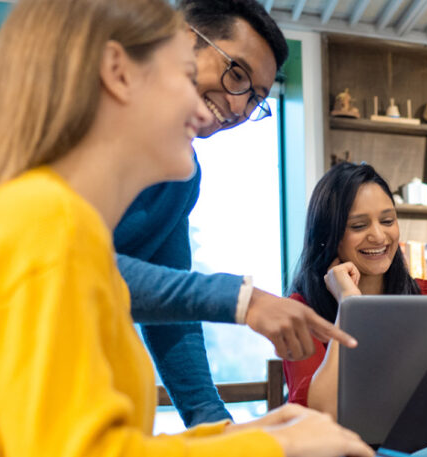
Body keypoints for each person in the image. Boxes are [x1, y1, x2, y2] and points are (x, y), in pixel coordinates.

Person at [0, 0, 373, 456]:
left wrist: (220, 430)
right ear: (119, 71)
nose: (231, 109)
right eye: (186, 75)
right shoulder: (45, 221)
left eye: (257, 98)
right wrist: (267, 447)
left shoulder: (71, 223)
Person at [115, 0, 355, 427]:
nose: (240, 107)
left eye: (257, 99)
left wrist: (214, 424)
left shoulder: (182, 175)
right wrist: (241, 300)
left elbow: (173, 317)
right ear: (181, 40)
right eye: (237, 74)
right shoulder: (81, 124)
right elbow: (62, 262)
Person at [282, 162, 427, 413]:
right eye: (359, 226)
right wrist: (350, 304)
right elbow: (320, 415)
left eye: (387, 221)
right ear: (326, 236)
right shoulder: (299, 313)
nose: (378, 236)